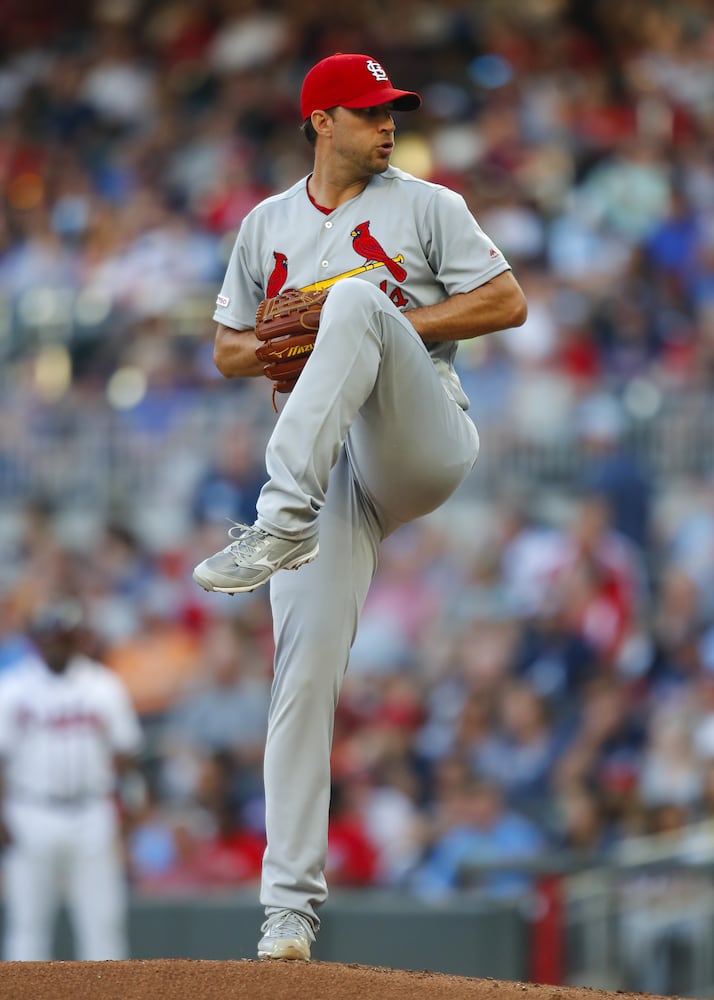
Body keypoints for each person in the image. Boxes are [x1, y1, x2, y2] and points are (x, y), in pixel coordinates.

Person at [192, 51, 527, 961]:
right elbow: (225, 351)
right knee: (299, 680)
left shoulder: (428, 205)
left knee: (348, 308)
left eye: (394, 110)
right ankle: (287, 912)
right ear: (320, 122)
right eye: (370, 110)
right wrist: (286, 343)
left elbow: (506, 300)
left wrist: (380, 327)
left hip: (421, 439)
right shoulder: (266, 225)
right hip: (336, 471)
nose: (388, 123)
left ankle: (279, 515)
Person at [0, 598, 143, 960]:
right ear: (36, 639)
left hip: (92, 810)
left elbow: (125, 754)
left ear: (76, 638)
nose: (56, 642)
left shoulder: (101, 685)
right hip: (30, 810)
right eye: (49, 635)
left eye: (63, 635)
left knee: (103, 928)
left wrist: (129, 809)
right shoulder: (13, 688)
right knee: (27, 928)